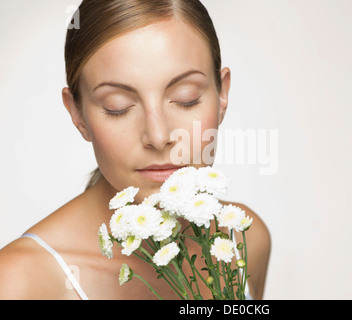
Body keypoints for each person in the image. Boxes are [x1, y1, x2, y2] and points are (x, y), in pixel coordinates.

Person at [0, 0, 270, 300]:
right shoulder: (20, 280)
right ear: (77, 114)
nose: (158, 136)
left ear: (222, 95)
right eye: (118, 107)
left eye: (186, 98)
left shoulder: (243, 239)